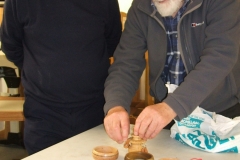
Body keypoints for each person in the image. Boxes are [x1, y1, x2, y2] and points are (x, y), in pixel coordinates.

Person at [103, 0, 240, 144]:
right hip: (166, 115)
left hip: (220, 114)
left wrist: (172, 106)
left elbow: (219, 58)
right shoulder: (141, 6)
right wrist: (115, 105)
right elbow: (126, 63)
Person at [0, 0, 121, 154]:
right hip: (43, 114)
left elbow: (113, 43)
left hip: (94, 111)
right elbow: (10, 45)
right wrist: (39, 69)